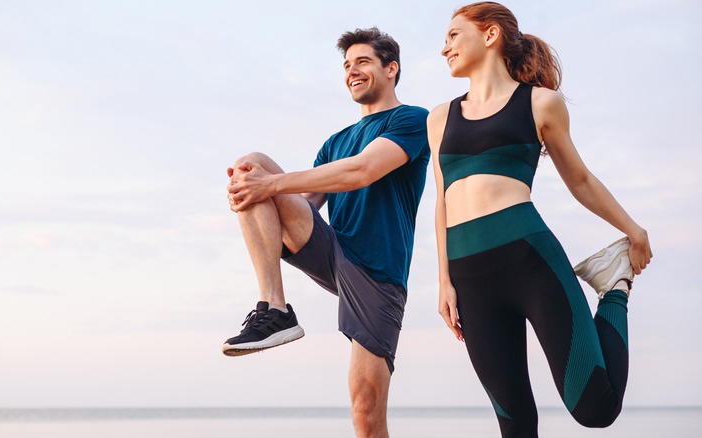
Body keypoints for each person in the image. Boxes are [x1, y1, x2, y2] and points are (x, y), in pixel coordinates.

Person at [427, 2, 653, 437]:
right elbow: (442, 201)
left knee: (595, 408)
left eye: (453, 35)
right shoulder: (440, 118)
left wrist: (632, 230)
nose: (445, 49)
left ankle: (614, 286)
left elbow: (581, 180)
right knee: (514, 422)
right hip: (469, 275)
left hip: (529, 259)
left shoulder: (540, 104)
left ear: (489, 35)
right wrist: (444, 281)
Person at [223, 27, 429, 437]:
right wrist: (253, 191)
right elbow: (305, 201)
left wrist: (270, 186)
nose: (352, 71)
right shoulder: (336, 141)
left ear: (392, 69)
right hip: (332, 251)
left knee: (366, 414)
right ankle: (276, 309)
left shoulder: (412, 120)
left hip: (378, 271)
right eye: (347, 65)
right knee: (252, 164)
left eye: (363, 62)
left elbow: (364, 169)